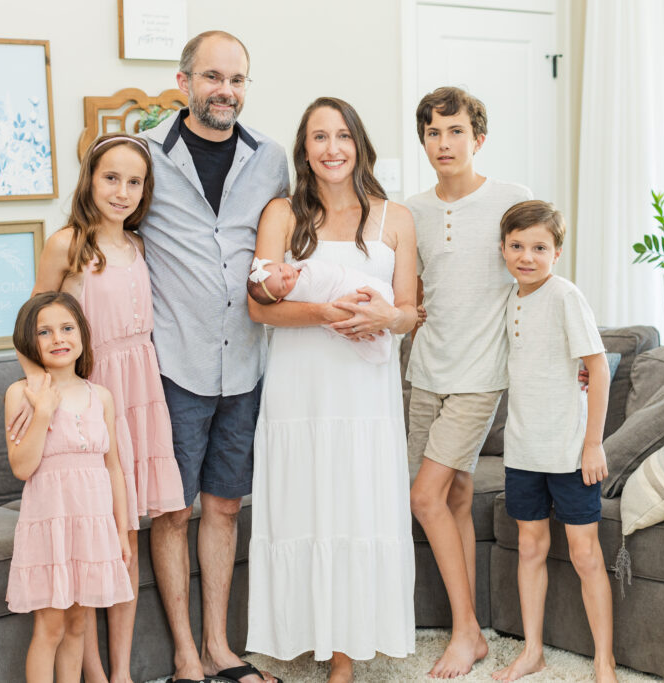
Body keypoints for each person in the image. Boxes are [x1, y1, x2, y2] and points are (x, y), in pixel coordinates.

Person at [246, 96, 418, 683]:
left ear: (359, 144)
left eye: (342, 135)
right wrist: (322, 311)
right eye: (319, 137)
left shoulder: (395, 218)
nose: (332, 148)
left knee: (357, 503)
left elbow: (411, 310)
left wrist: (385, 319)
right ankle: (309, 635)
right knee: (306, 505)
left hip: (364, 392)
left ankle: (346, 655)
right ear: (305, 150)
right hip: (301, 387)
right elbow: (259, 305)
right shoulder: (282, 214)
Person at [136, 30, 289, 683]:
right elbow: (100, 235)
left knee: (225, 504)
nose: (226, 90)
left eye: (237, 79)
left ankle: (220, 646)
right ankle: (184, 657)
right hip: (175, 364)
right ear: (184, 82)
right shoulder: (144, 156)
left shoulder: (271, 158)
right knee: (174, 509)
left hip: (249, 363)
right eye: (212, 77)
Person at [10, 133, 184, 683]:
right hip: (89, 392)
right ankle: (90, 673)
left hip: (141, 391)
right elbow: (29, 327)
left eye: (135, 182)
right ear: (90, 179)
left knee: (125, 533)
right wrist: (47, 399)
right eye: (112, 178)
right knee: (96, 538)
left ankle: (123, 672)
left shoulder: (140, 245)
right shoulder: (66, 244)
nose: (122, 191)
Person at [404, 86, 532, 679]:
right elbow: (409, 292)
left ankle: (465, 633)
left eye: (455, 131)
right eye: (433, 132)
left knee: (424, 498)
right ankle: (473, 631)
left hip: (480, 376)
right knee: (450, 495)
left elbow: (539, 277)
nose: (444, 142)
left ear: (478, 139)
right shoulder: (411, 212)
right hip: (424, 371)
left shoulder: (511, 201)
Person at [491, 200, 615, 683]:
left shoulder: (565, 297)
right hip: (523, 450)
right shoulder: (508, 300)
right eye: (517, 246)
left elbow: (598, 367)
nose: (527, 256)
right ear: (503, 249)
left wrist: (593, 444)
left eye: (539, 247)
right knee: (530, 548)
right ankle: (533, 653)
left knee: (586, 555)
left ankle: (604, 661)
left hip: (570, 453)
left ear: (557, 252)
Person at [4, 292, 134, 683]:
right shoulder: (20, 395)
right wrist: (43, 411)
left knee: (78, 625)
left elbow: (113, 468)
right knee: (51, 628)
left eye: (67, 328)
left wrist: (123, 531)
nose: (58, 338)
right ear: (31, 342)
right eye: (44, 331)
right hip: (51, 525)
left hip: (92, 526)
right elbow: (22, 467)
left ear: (82, 335)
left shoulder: (101, 397)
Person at [246, 257, 395, 363]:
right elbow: (322, 295)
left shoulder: (304, 269)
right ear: (280, 299)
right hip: (342, 301)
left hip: (357, 286)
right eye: (284, 285)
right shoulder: (301, 291)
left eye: (280, 268)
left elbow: (333, 274)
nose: (287, 274)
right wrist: (331, 312)